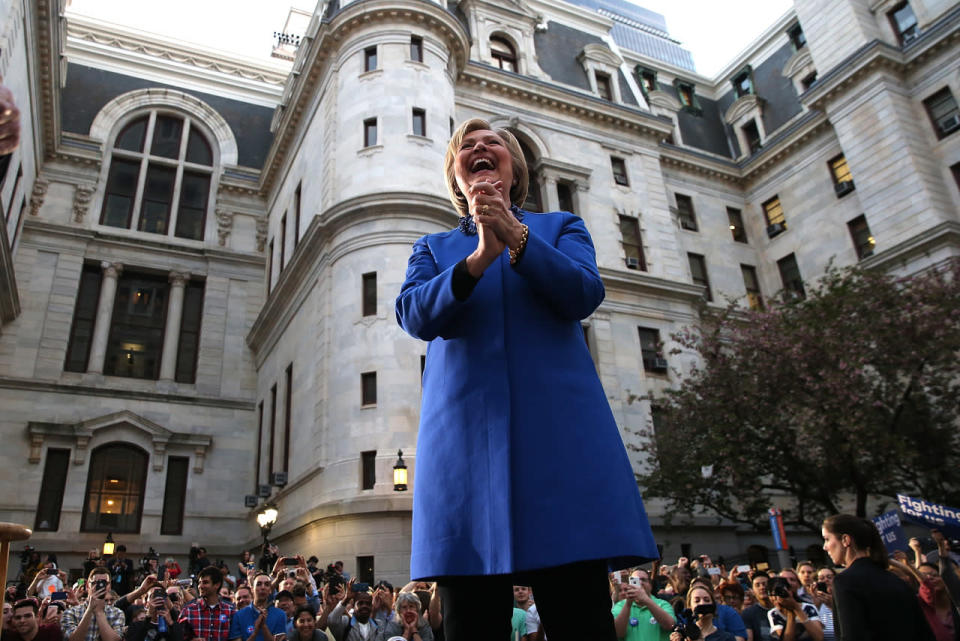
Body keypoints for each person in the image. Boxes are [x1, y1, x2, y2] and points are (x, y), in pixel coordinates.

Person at [394, 117, 658, 641]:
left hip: (559, 443)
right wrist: (477, 260)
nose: (479, 148)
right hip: (465, 448)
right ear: (457, 179)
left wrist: (516, 238)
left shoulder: (562, 227)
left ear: (515, 172)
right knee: (471, 622)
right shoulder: (431, 247)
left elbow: (584, 293)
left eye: (492, 143)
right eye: (466, 147)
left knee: (580, 618)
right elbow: (414, 315)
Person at [821, 514, 936, 641]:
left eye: (827, 539)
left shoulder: (845, 581)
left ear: (845, 540)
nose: (824, 547)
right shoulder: (897, 581)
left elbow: (852, 635)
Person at [60, 567, 125, 641]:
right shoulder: (71, 612)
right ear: (87, 586)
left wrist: (99, 612)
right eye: (95, 583)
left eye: (104, 583)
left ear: (109, 586)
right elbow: (73, 639)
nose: (100, 586)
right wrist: (90, 609)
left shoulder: (117, 613)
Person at [611, 569, 674, 640]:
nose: (640, 583)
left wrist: (646, 600)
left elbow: (670, 625)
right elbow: (617, 634)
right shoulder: (620, 606)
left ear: (650, 585)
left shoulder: (662, 604)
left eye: (643, 580)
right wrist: (628, 604)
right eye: (635, 581)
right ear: (629, 584)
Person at [178, 566, 237, 641]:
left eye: (205, 582)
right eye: (199, 583)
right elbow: (177, 636)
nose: (200, 586)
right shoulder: (188, 611)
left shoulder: (230, 611)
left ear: (217, 585)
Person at [228, 574, 286, 641]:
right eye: (258, 584)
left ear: (270, 590)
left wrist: (264, 627)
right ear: (252, 589)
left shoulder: (280, 614)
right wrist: (255, 633)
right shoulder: (239, 615)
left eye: (267, 584)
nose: (263, 587)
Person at [669, 584, 735, 641]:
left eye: (707, 600)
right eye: (697, 601)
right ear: (690, 607)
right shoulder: (684, 635)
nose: (702, 603)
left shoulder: (726, 638)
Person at [764, 577, 822, 641]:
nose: (776, 598)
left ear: (790, 591)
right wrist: (790, 612)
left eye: (779, 593)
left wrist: (796, 608)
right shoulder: (774, 613)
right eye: (772, 595)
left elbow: (819, 637)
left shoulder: (808, 608)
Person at [741, 572, 773, 641]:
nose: (762, 587)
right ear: (753, 590)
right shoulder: (748, 614)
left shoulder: (782, 608)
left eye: (764, 584)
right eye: (757, 585)